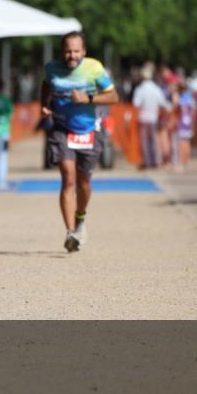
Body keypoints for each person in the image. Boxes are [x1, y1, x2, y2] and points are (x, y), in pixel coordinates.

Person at [41, 31, 118, 252]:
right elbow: (46, 85)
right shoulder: (52, 67)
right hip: (61, 127)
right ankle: (70, 232)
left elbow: (114, 96)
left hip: (89, 131)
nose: (71, 56)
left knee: (84, 183)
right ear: (61, 52)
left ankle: (80, 218)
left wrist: (89, 98)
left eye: (76, 51)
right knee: (68, 178)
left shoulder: (94, 68)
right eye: (67, 51)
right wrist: (44, 104)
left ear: (83, 51)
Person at [132, 63, 168, 169]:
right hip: (153, 118)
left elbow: (136, 104)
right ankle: (154, 161)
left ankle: (147, 161)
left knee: (145, 141)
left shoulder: (140, 89)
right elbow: (162, 103)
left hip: (143, 118)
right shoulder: (156, 89)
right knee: (153, 140)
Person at [174, 82, 196, 172]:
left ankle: (181, 162)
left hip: (182, 122)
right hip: (189, 123)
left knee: (181, 143)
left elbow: (179, 109)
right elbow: (193, 112)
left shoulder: (182, 98)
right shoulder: (191, 98)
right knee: (187, 142)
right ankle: (186, 160)